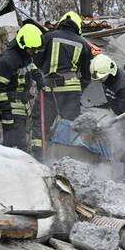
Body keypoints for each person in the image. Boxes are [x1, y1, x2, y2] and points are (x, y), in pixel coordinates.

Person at [31, 10, 92, 158]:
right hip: (71, 92)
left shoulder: (48, 37)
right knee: (71, 126)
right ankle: (68, 159)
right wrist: (78, 89)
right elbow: (86, 75)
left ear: (60, 23)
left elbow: (37, 62)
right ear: (78, 26)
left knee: (41, 124)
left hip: (49, 90)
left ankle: (39, 157)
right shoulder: (83, 43)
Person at [0, 24, 45, 151]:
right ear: (22, 44)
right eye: (32, 49)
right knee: (15, 148)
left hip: (23, 107)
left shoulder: (25, 56)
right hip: (11, 109)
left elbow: (31, 67)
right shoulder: (7, 60)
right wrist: (7, 113)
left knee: (22, 144)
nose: (34, 52)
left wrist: (39, 77)